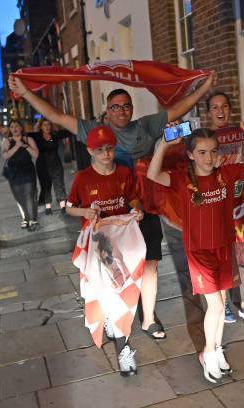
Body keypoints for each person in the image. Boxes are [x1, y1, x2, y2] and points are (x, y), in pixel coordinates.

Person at [9, 72, 217, 340]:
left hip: (143, 208)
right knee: (110, 268)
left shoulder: (145, 127)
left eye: (126, 106)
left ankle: (149, 318)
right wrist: (26, 92)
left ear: (132, 109)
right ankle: (113, 315)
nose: (121, 111)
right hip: (109, 216)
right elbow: (57, 116)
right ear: (107, 111)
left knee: (150, 263)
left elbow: (178, 108)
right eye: (115, 106)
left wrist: (205, 88)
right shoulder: (93, 132)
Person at [146, 121, 244, 383]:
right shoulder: (181, 179)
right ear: (190, 154)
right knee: (217, 305)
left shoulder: (227, 173)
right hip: (199, 252)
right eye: (201, 152)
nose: (209, 157)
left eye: (213, 151)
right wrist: (164, 145)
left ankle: (216, 348)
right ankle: (208, 352)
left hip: (223, 248)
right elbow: (153, 174)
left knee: (221, 304)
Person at [66, 125, 144, 376]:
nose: (106, 154)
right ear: (90, 150)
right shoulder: (82, 178)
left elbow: (132, 197)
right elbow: (69, 207)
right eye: (100, 150)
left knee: (126, 291)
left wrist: (136, 210)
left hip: (124, 241)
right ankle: (124, 350)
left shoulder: (123, 173)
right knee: (114, 292)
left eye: (110, 148)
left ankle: (113, 320)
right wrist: (84, 212)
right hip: (99, 245)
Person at [206, 91, 244, 329]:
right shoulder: (202, 138)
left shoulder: (241, 133)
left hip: (240, 206)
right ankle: (223, 303)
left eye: (225, 106)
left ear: (230, 109)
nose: (220, 111)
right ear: (208, 112)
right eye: (215, 107)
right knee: (217, 260)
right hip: (213, 206)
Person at [1, 120, 40, 231]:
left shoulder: (29, 139)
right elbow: (5, 156)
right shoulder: (7, 141)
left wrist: (25, 146)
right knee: (19, 198)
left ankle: (32, 220)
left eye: (17, 126)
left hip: (28, 170)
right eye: (12, 127)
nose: (14, 128)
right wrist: (17, 146)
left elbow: (36, 154)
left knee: (29, 195)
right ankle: (26, 218)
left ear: (21, 128)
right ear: (10, 129)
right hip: (14, 173)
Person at [30, 118, 68, 215]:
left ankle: (63, 205)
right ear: (41, 127)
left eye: (48, 125)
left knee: (59, 184)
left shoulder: (55, 135)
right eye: (44, 125)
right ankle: (48, 207)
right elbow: (23, 135)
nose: (47, 127)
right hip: (42, 166)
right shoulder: (37, 136)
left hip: (56, 164)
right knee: (45, 186)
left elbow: (69, 131)